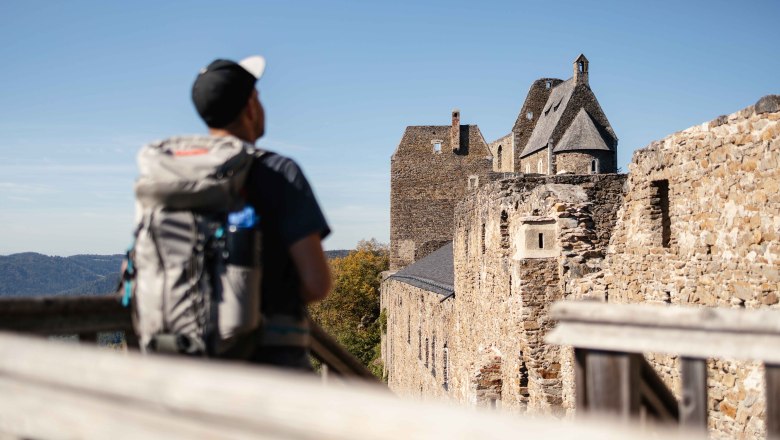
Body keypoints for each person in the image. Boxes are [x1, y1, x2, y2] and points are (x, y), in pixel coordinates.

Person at [190, 56, 332, 370]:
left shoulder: (177, 175)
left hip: (190, 358)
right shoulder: (278, 172)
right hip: (267, 362)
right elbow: (316, 283)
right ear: (252, 105)